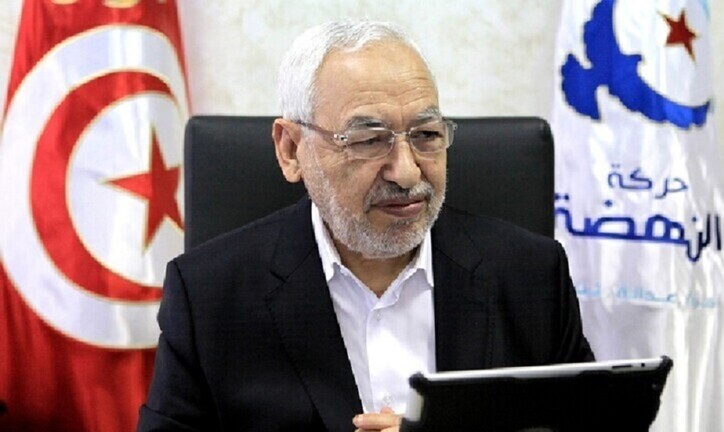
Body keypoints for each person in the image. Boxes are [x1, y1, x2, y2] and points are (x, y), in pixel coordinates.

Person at [137, 20, 593, 432]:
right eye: (370, 141)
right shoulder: (209, 296)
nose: (407, 172)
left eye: (426, 136)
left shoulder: (530, 275)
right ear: (291, 150)